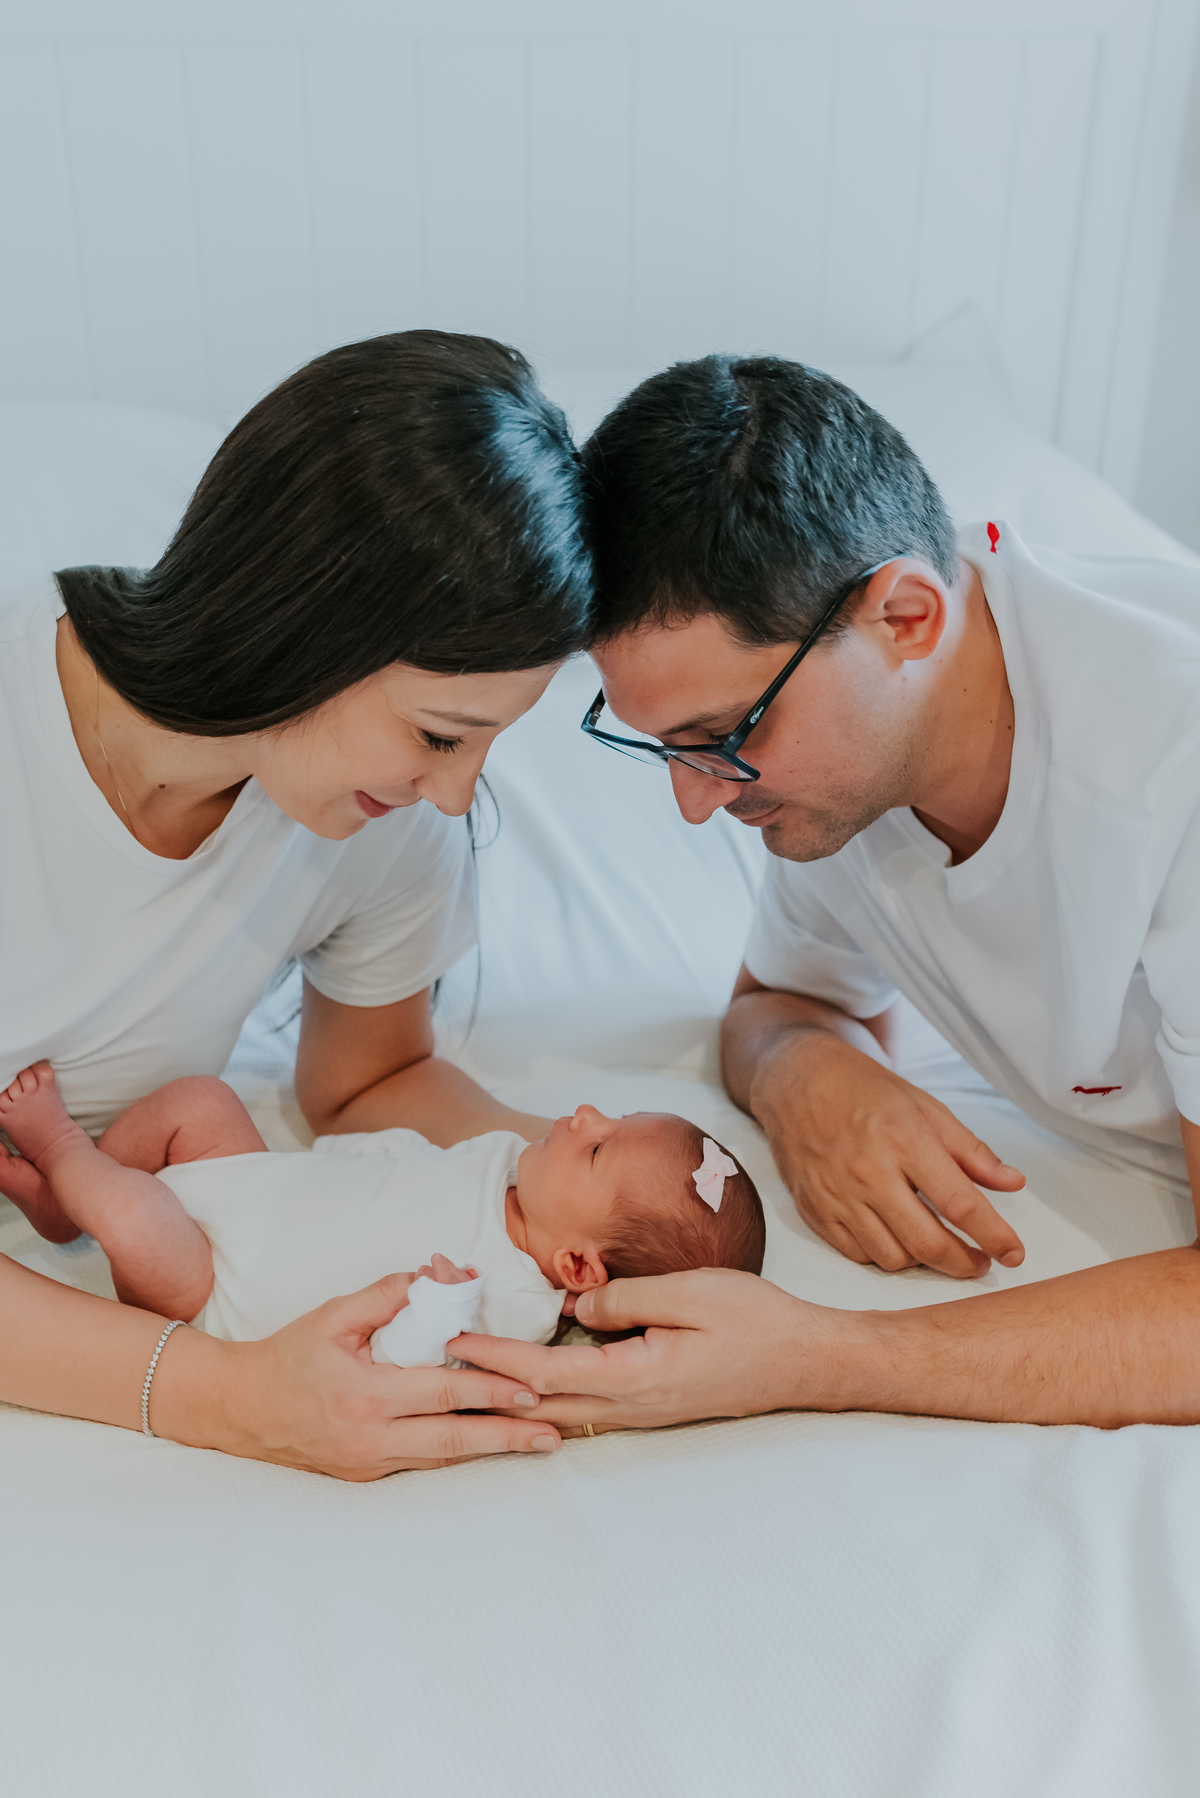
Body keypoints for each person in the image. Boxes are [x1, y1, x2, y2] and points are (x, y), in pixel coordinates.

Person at [462, 353, 1200, 1434]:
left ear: (905, 616)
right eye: (667, 748)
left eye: (721, 738)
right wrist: (809, 1072)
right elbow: (777, 1004)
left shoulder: (1166, 772)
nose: (694, 804)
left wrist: (816, 1353)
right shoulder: (860, 761)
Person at [0, 329, 594, 1476]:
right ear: (308, 615)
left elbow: (370, 1080)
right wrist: (224, 1395)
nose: (455, 792)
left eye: (484, 747)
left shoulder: (382, 825)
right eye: (439, 734)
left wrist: (616, 1214)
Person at [0, 1062, 763, 1379]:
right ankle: (61, 1204)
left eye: (597, 1148)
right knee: (200, 1102)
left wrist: (434, 1311)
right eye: (614, 1116)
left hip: (212, 1286)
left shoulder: (503, 1302)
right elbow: (406, 1162)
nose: (584, 1114)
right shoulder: (509, 1160)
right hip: (259, 1184)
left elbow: (396, 1367)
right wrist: (341, 1156)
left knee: (131, 1212)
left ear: (577, 1267)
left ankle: (59, 1148)